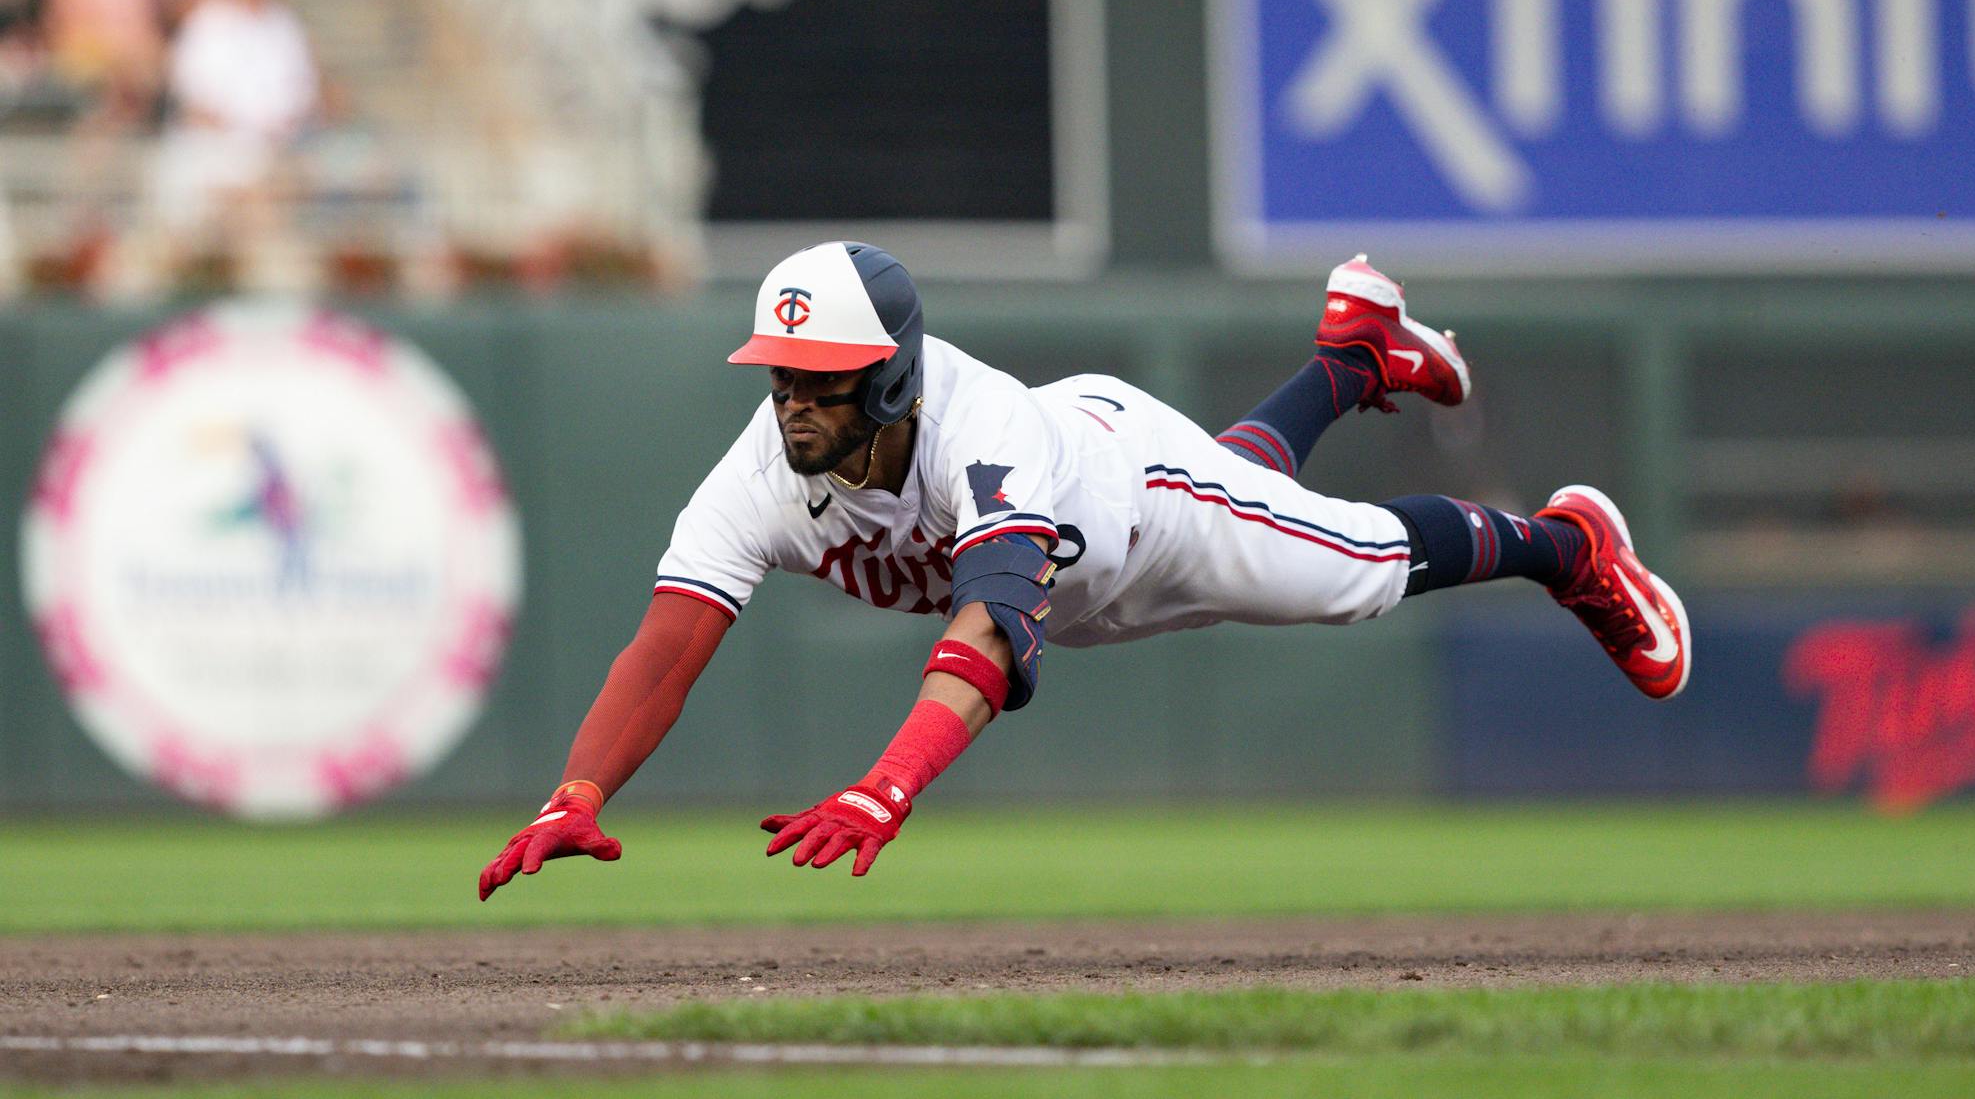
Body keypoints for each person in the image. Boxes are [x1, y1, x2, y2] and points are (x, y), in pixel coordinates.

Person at [477, 244, 1692, 896]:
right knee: (1261, 489)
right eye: (782, 373)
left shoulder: (980, 434)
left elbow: (994, 629)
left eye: (826, 376)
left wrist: (886, 786)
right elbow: (667, 647)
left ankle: (1571, 544)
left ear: (893, 373)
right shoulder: (761, 471)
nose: (795, 400)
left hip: (1137, 495)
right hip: (1098, 542)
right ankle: (1354, 354)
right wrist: (576, 794)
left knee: (1357, 567)